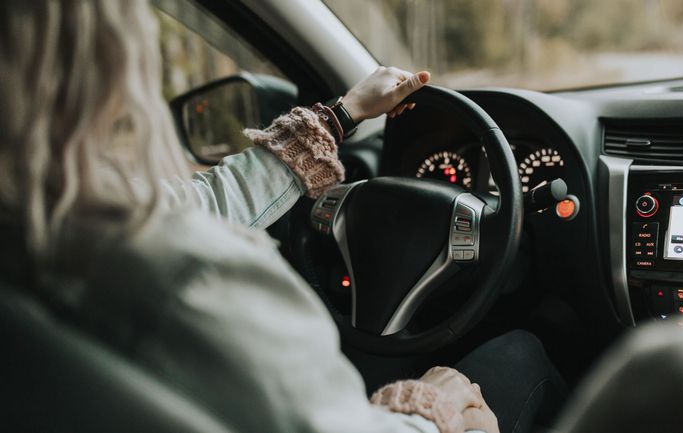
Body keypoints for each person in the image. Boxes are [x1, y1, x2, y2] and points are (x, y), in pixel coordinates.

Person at [0, 1, 564, 433]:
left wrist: (341, 115)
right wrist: (431, 406)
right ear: (100, 64)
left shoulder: (38, 233)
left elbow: (199, 201)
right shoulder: (183, 276)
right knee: (523, 354)